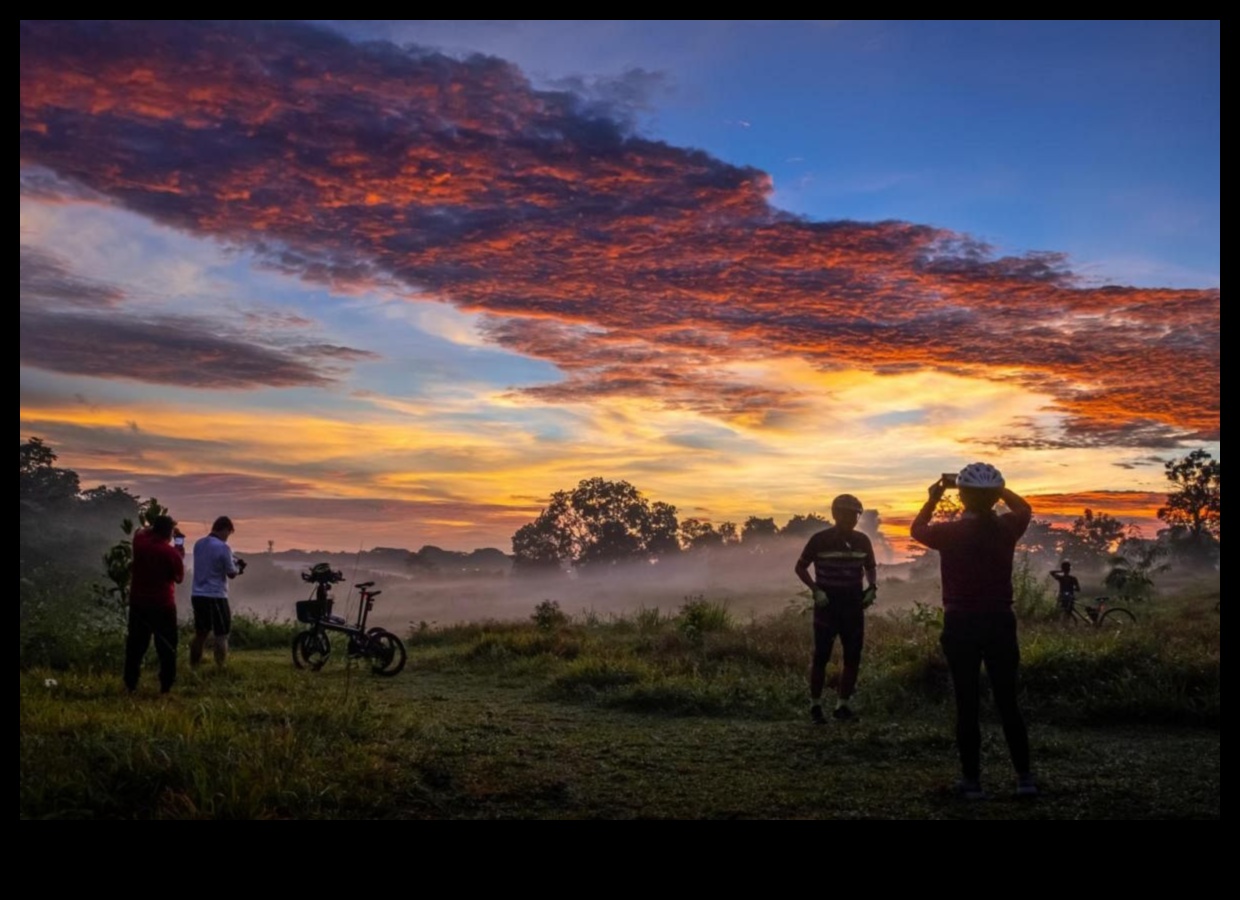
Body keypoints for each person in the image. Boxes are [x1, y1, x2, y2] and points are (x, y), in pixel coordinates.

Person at [910, 463, 1037, 799]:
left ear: (962, 496)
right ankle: (1024, 779)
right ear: (995, 498)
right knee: (1008, 702)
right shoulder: (1008, 528)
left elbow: (917, 528)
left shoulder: (948, 533)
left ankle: (972, 783)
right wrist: (1001, 489)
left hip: (961, 622)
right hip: (999, 621)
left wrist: (935, 497)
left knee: (967, 704)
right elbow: (1024, 507)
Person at [794, 494, 878, 724]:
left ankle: (843, 706)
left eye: (855, 514)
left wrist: (872, 587)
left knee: (853, 657)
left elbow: (870, 567)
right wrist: (815, 590)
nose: (851, 518)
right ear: (835, 514)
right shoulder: (819, 540)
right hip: (827, 607)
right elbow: (800, 567)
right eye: (846, 513)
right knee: (821, 657)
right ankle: (815, 706)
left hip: (853, 606)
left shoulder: (863, 541)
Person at [124, 515, 185, 694]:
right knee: (166, 647)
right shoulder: (170, 553)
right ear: (168, 533)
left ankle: (130, 683)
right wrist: (179, 551)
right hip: (162, 604)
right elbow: (179, 578)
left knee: (135, 645)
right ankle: (166, 685)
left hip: (138, 603)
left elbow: (140, 531)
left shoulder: (140, 542)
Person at [190, 516, 246, 668]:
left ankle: (194, 665)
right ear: (226, 529)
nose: (228, 538)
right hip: (216, 595)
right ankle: (220, 666)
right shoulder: (223, 547)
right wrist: (239, 568)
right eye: (229, 533)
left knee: (201, 633)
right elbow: (231, 573)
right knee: (221, 634)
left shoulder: (199, 544)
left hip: (197, 594)